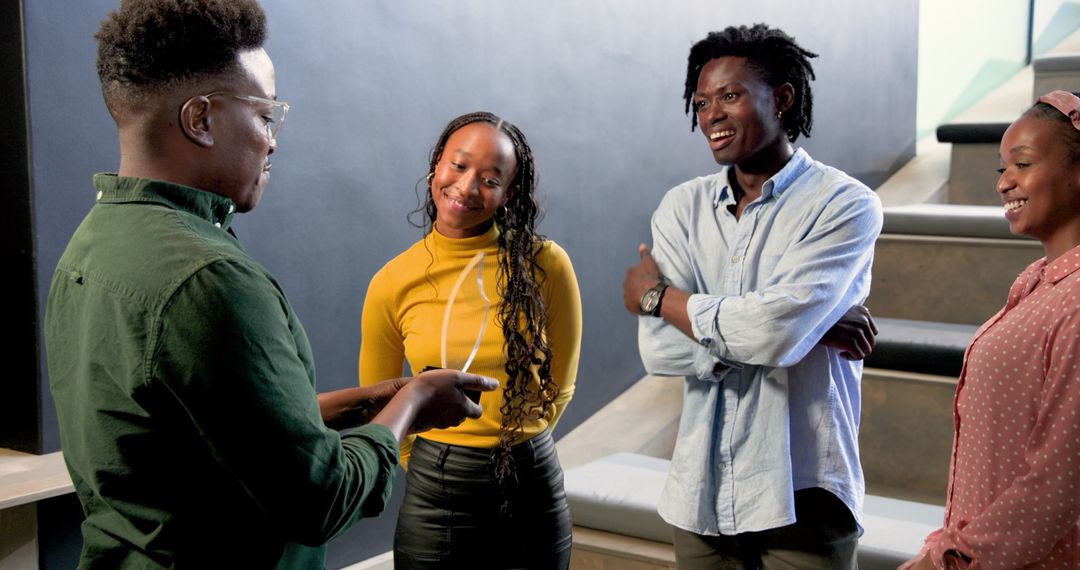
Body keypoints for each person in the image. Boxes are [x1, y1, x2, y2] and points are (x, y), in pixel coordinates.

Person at [43, 1, 497, 567]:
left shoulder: (91, 246)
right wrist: (413, 406)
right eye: (265, 116)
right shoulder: (210, 280)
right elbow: (321, 498)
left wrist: (369, 401)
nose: (273, 141)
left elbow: (204, 428)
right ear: (200, 119)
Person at [623, 24, 882, 568]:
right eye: (701, 102)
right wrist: (805, 328)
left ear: (782, 99)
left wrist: (658, 299)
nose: (710, 114)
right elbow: (660, 352)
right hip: (701, 490)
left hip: (803, 490)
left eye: (730, 96)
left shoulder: (845, 205)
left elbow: (775, 332)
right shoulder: (680, 208)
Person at [359, 111, 582, 568]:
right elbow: (379, 399)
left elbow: (560, 383)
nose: (466, 186)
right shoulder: (393, 280)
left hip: (532, 479)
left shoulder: (547, 264)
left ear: (508, 193)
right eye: (459, 166)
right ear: (436, 166)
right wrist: (429, 466)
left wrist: (521, 440)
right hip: (437, 485)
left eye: (490, 178)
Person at [900, 91, 1080, 570]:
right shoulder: (1036, 281)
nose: (1005, 183)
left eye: (1021, 164)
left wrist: (949, 558)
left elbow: (1059, 483)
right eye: (1001, 168)